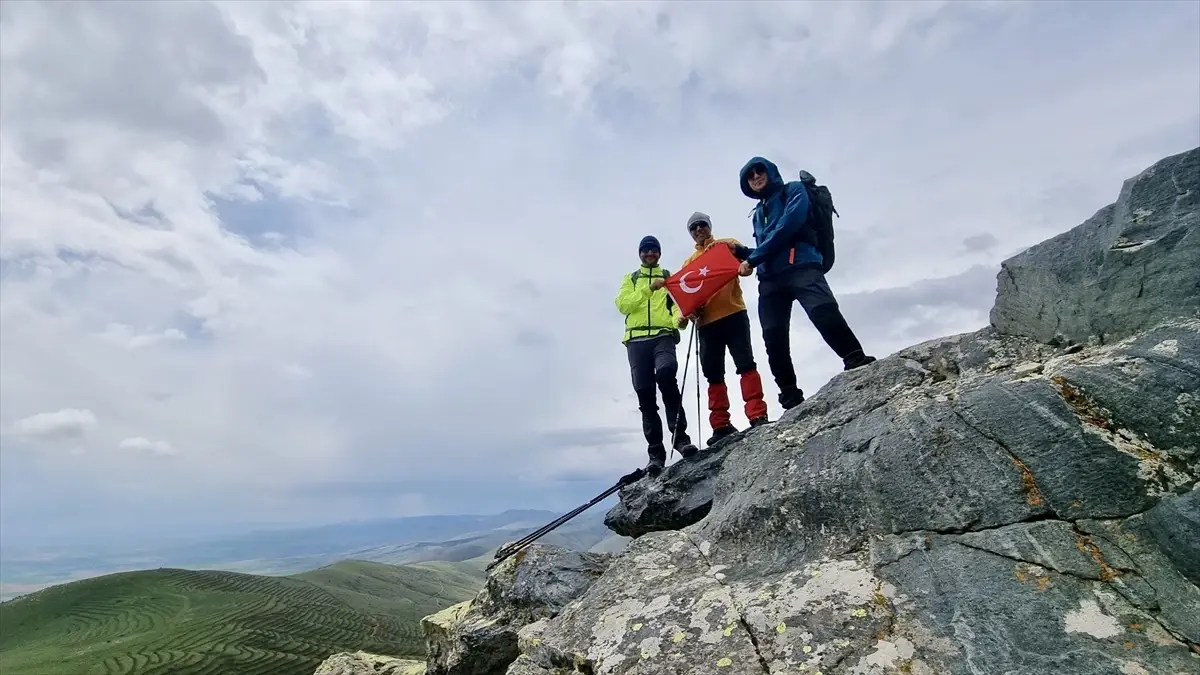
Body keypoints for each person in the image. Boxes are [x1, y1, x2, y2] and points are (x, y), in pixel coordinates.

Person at [729, 156, 876, 410]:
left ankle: (855, 359)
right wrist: (744, 252)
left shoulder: (793, 190)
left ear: (770, 171)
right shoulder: (758, 213)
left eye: (759, 171)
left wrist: (752, 258)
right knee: (773, 337)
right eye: (749, 176)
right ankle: (790, 395)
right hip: (770, 279)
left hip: (802, 266)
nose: (755, 177)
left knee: (823, 312)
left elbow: (790, 226)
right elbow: (768, 245)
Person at [678, 212, 770, 446]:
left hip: (734, 313)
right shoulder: (688, 264)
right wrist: (689, 312)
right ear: (691, 233)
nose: (699, 229)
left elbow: (751, 257)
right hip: (706, 323)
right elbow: (686, 296)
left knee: (746, 364)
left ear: (709, 226)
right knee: (713, 374)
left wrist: (744, 263)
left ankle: (757, 414)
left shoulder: (726, 245)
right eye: (693, 228)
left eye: (702, 225)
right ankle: (720, 425)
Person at [614, 235, 700, 476]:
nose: (650, 254)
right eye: (646, 250)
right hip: (636, 340)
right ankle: (655, 453)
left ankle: (681, 439)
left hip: (663, 336)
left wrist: (680, 322)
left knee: (666, 374)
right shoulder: (631, 279)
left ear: (660, 253)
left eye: (654, 250)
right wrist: (649, 289)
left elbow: (675, 308)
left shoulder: (669, 277)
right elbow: (623, 305)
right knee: (645, 395)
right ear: (640, 253)